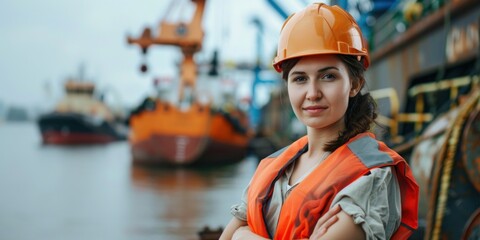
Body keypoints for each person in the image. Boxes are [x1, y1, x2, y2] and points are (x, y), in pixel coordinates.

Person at [219, 3, 419, 240]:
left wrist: (243, 236)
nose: (312, 93)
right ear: (288, 86)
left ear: (354, 84)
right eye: (300, 78)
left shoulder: (370, 175)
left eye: (328, 76)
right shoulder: (272, 167)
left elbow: (232, 236)